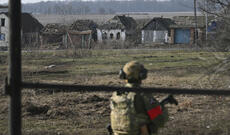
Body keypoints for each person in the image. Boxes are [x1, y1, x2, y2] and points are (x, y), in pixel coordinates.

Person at [110, 61, 169, 135]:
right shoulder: (143, 95)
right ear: (142, 75)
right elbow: (160, 121)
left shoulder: (116, 94)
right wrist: (162, 109)